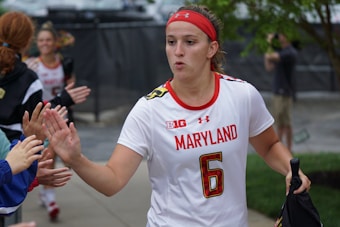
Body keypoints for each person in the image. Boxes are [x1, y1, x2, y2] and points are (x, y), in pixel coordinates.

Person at [43, 5, 311, 226]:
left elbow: (270, 145)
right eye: (171, 42)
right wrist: (76, 160)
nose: (178, 51)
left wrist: (290, 170)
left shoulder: (242, 95)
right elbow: (113, 180)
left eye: (190, 42)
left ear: (211, 48)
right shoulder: (149, 110)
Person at [24, 21, 90, 221]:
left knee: (65, 160)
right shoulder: (32, 65)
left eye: (48, 40)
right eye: (41, 40)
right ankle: (51, 198)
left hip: (61, 114)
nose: (44, 43)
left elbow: (70, 88)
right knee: (49, 155)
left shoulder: (65, 64)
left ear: (55, 43)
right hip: (42, 116)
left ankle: (45, 193)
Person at [264, 32, 298, 152]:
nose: (280, 37)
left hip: (284, 92)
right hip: (279, 91)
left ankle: (286, 148)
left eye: (282, 34)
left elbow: (269, 56)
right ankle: (283, 148)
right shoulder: (280, 52)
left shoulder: (289, 52)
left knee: (284, 123)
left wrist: (269, 42)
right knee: (280, 122)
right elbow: (268, 66)